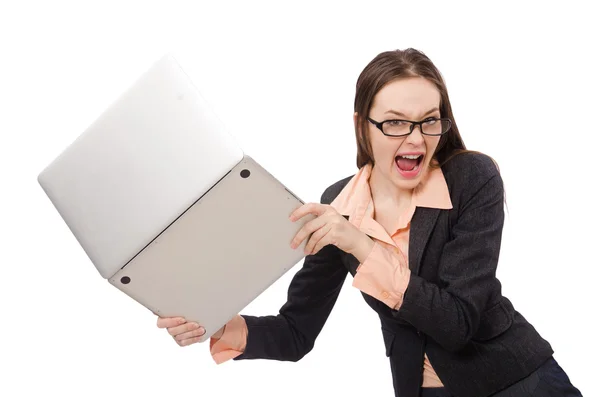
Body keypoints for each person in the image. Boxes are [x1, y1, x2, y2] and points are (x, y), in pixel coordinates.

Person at [156, 48, 583, 397]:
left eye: (429, 120)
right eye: (395, 122)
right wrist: (222, 324)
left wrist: (360, 245)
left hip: (517, 381)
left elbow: (457, 323)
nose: (416, 139)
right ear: (363, 127)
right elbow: (296, 332)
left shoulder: (472, 178)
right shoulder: (339, 205)